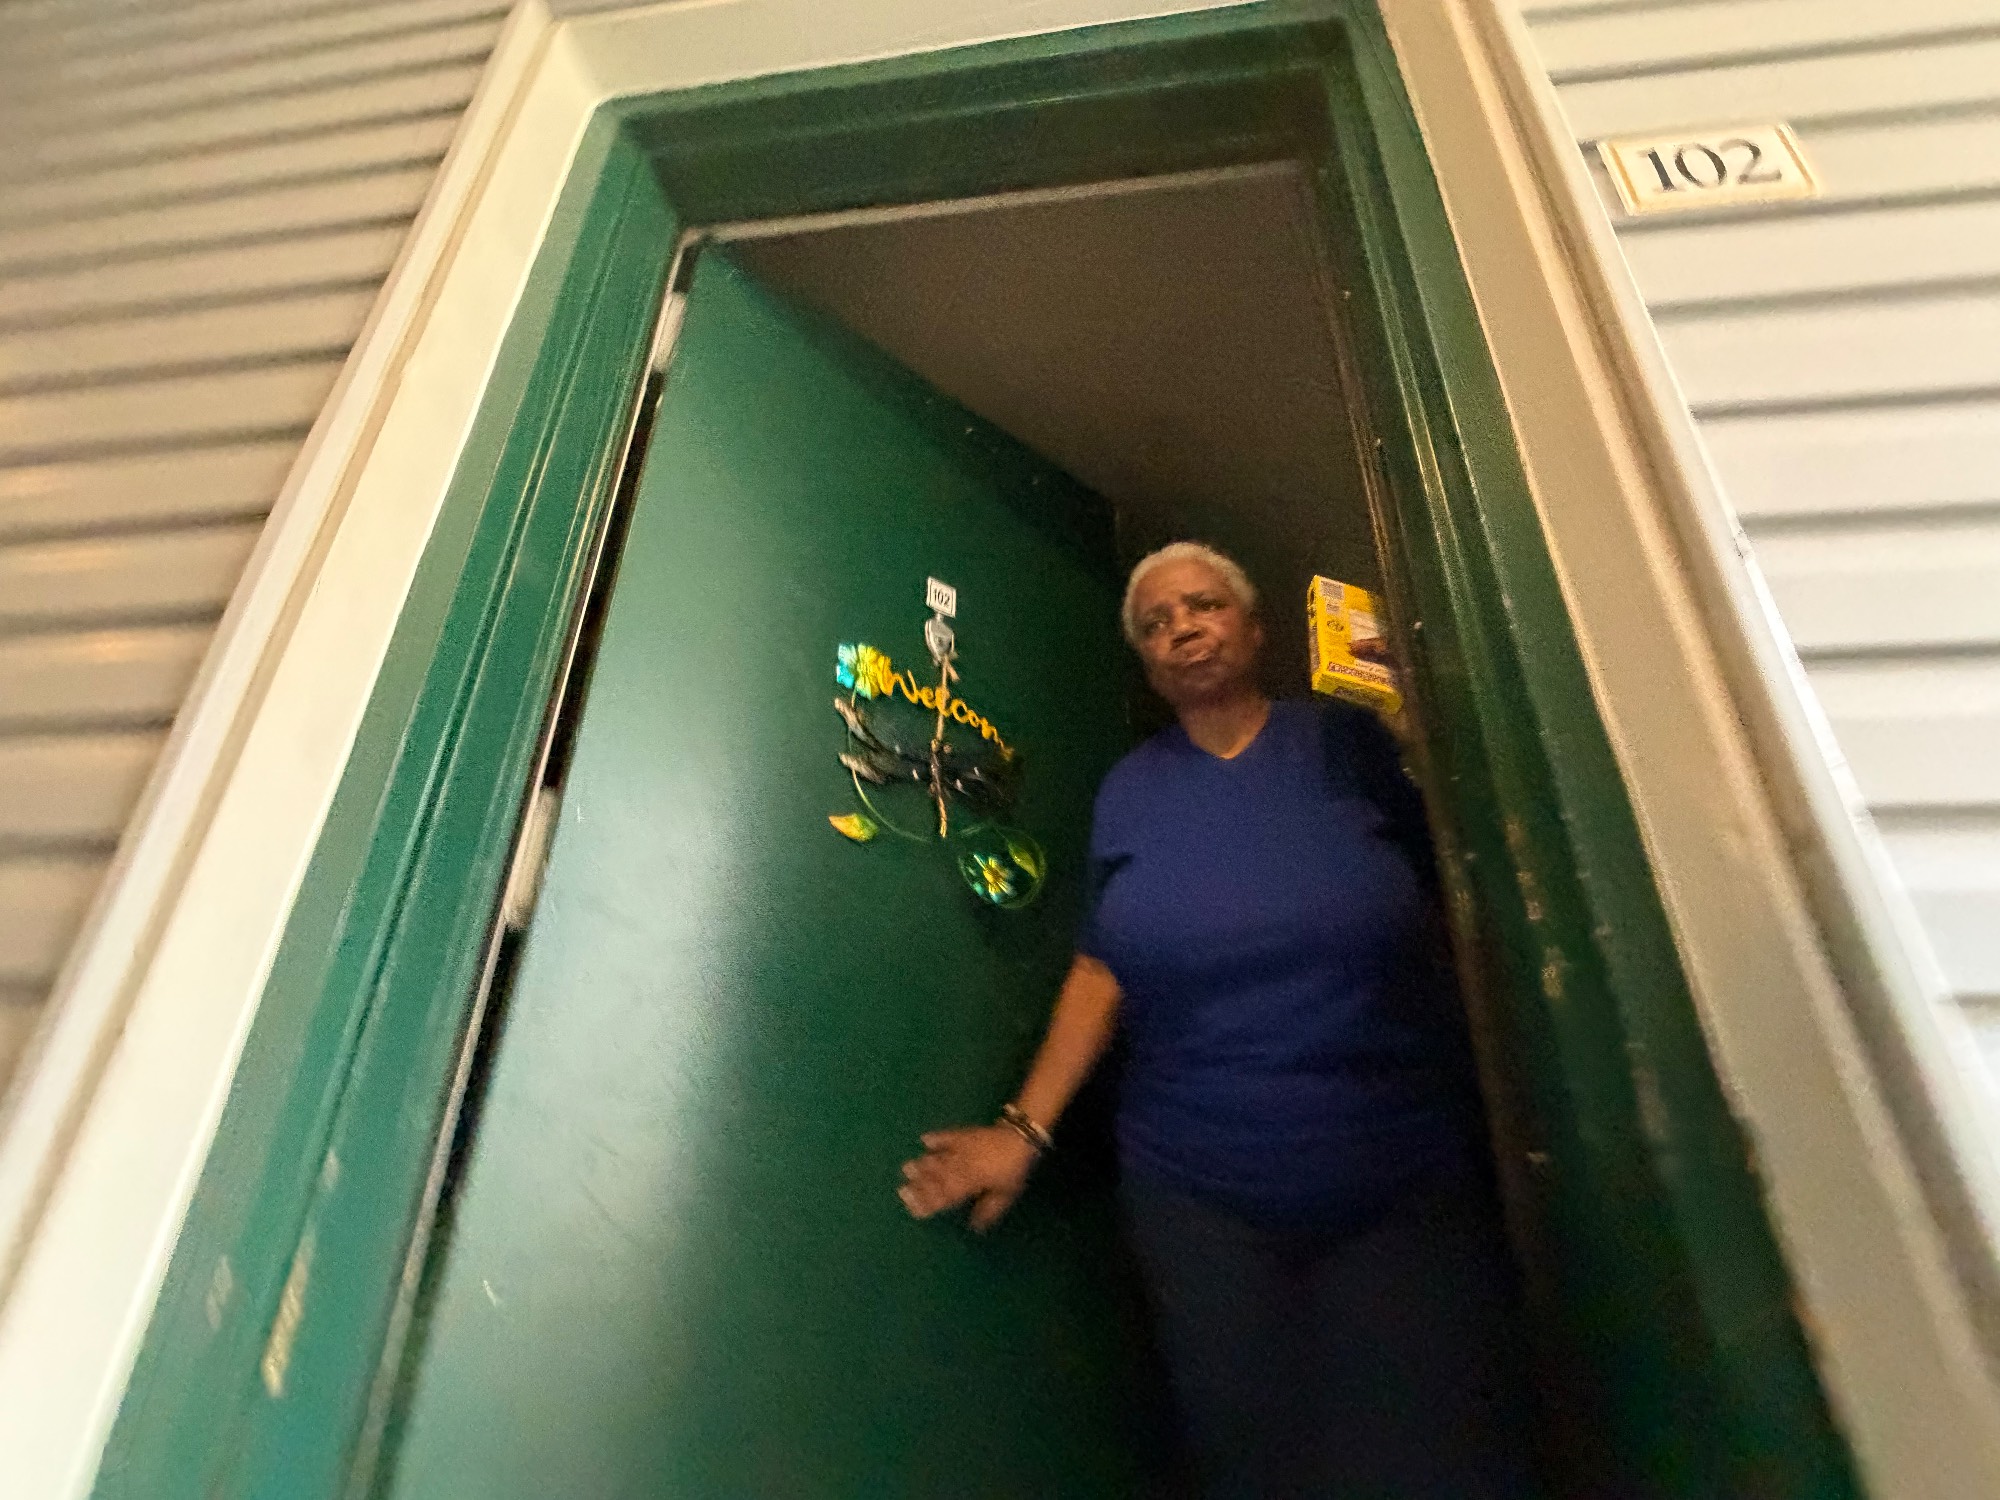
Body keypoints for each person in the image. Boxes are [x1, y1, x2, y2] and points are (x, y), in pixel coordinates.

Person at [899, 543, 1536, 1498]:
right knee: (1253, 1459)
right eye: (1155, 625)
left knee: (1432, 1452)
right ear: (1148, 666)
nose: (1181, 630)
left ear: (1254, 627)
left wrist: (1429, 724)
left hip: (1397, 1180)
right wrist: (1022, 1131)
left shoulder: (1352, 745)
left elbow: (1469, 881)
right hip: (1199, 1199)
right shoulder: (1131, 790)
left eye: (1202, 606)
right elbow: (1101, 965)